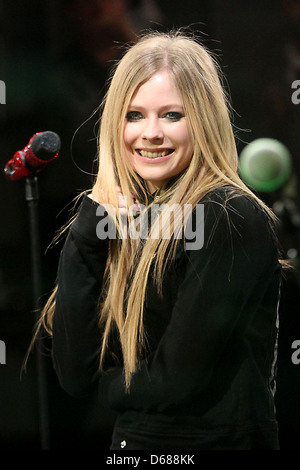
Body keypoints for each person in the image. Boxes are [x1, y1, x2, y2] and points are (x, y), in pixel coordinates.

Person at [41, 31, 283, 450]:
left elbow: (175, 381)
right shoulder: (124, 219)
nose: (150, 133)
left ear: (203, 120)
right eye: (134, 115)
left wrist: (105, 387)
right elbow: (74, 374)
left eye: (172, 115)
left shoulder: (226, 215)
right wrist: (86, 235)